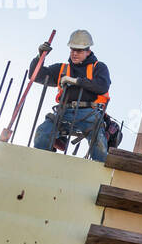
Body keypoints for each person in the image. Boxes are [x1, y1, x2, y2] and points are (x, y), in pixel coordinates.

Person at [30, 29, 112, 163]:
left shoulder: (99, 67)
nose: (74, 53)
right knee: (43, 132)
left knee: (99, 144)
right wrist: (40, 57)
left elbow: (102, 86)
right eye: (72, 49)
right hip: (64, 112)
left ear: (88, 51)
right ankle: (41, 163)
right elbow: (35, 76)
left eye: (79, 50)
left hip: (89, 114)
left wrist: (76, 81)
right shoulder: (61, 68)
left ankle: (100, 174)